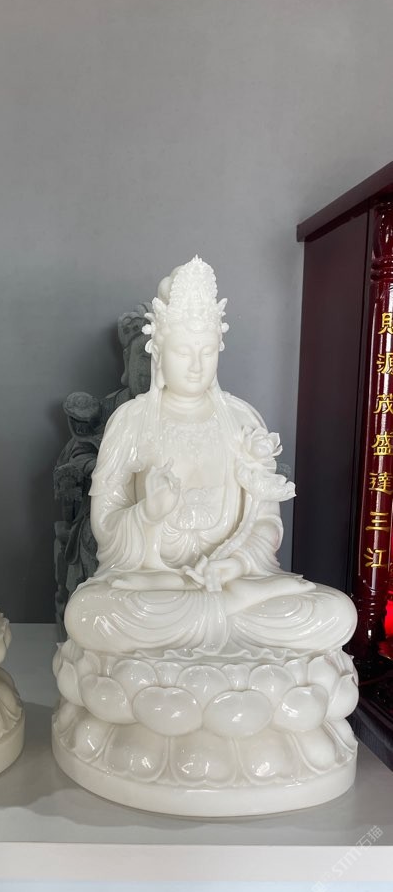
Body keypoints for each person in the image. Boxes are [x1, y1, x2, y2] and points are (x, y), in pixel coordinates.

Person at [64, 256, 356, 657]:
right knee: (89, 614)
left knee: (336, 611)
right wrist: (148, 513)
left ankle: (215, 619)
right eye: (183, 352)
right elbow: (105, 529)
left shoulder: (242, 419)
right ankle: (227, 622)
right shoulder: (130, 421)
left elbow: (266, 524)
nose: (197, 365)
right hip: (157, 586)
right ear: (158, 352)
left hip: (233, 581)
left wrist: (235, 566)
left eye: (207, 351)